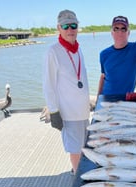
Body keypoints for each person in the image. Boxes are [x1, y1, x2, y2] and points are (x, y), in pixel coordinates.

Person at [43, 9, 90, 175]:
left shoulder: (78, 49)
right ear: (59, 28)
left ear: (77, 27)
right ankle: (77, 180)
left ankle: (77, 172)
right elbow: (48, 85)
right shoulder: (53, 51)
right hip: (69, 113)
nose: (70, 29)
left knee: (84, 146)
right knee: (75, 149)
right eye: (65, 26)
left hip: (83, 111)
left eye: (73, 25)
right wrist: (54, 111)